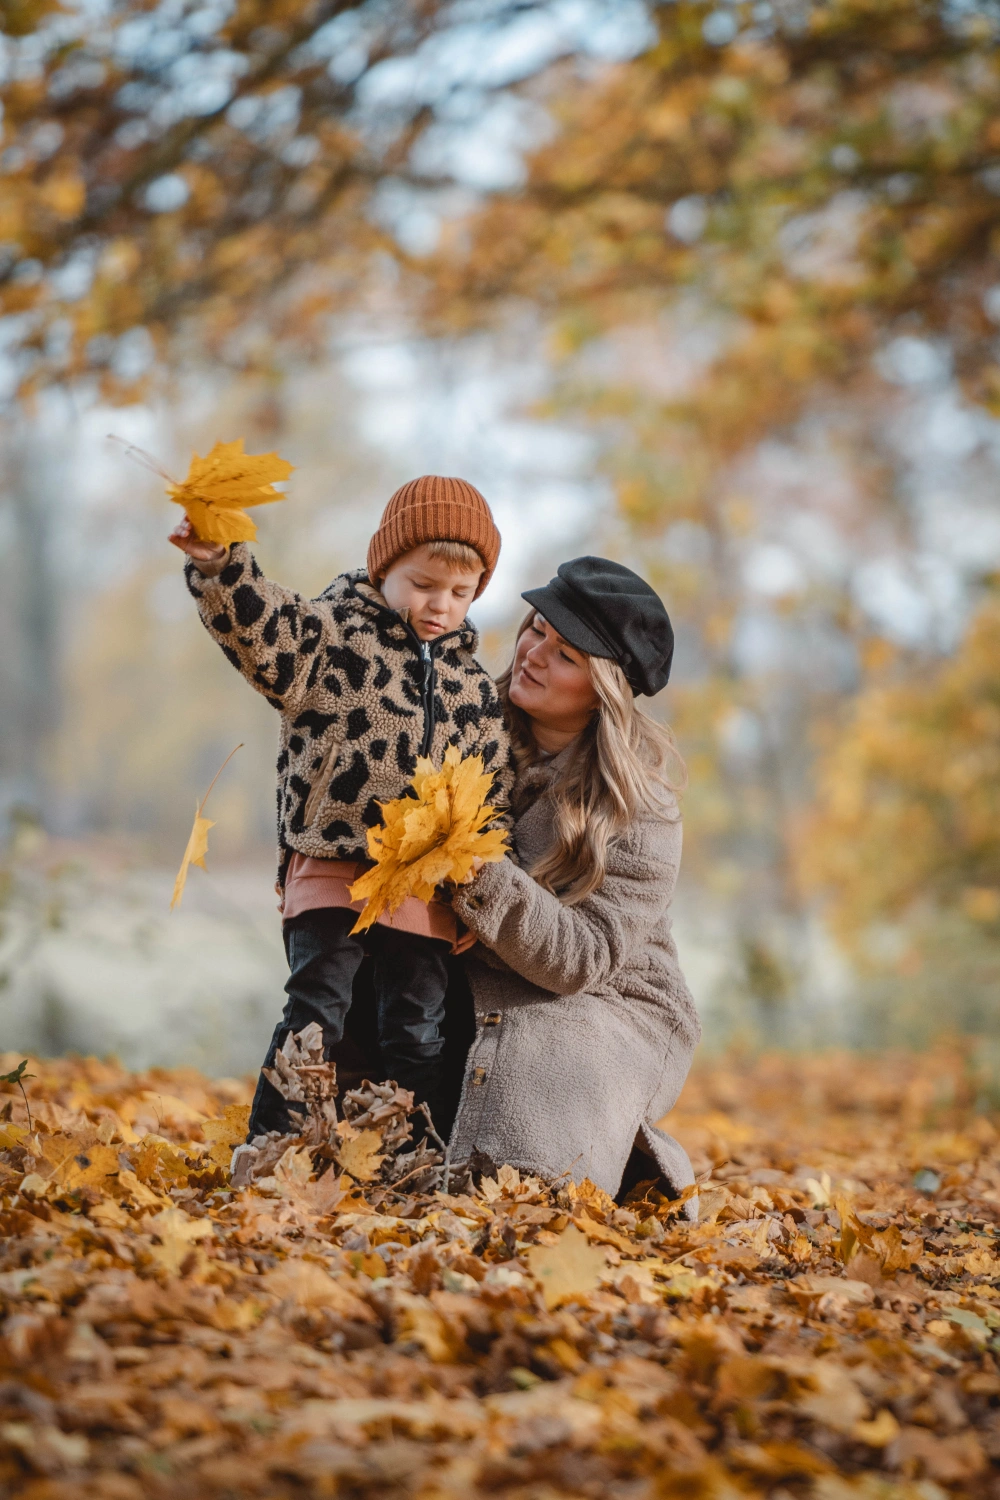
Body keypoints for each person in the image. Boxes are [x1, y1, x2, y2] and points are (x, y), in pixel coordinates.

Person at [171, 475, 515, 1139]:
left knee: (415, 1031)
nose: (440, 605)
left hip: (424, 883)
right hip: (332, 861)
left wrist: (479, 897)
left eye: (460, 593)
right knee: (315, 1013)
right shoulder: (329, 639)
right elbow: (258, 625)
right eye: (423, 584)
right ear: (384, 566)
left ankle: (400, 1159)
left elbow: (490, 791)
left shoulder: (472, 685)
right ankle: (274, 1149)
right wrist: (219, 563)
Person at [447, 556, 701, 1207]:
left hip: (610, 993)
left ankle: (582, 1174)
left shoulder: (641, 808)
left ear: (603, 690)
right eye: (536, 628)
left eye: (564, 655)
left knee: (544, 1055)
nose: (532, 653)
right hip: (473, 963)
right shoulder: (465, 721)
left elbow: (584, 957)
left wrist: (477, 872)